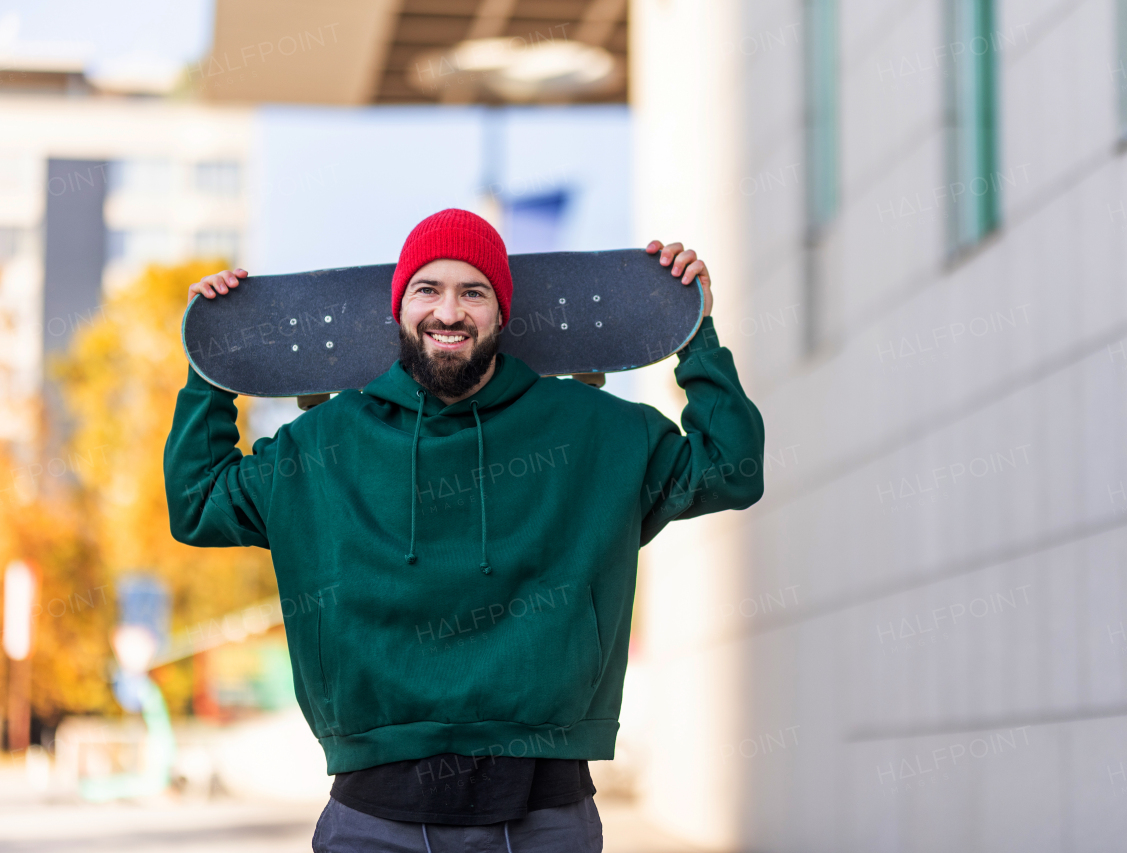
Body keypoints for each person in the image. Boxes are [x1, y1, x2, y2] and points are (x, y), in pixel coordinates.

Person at [165, 208, 766, 852]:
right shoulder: (322, 447)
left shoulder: (593, 431)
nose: (448, 312)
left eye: (472, 292)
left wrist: (695, 334)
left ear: (501, 313)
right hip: (375, 819)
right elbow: (197, 502)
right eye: (428, 289)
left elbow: (731, 469)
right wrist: (213, 364)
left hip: (544, 814)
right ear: (399, 309)